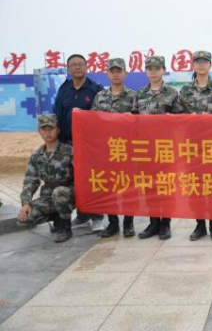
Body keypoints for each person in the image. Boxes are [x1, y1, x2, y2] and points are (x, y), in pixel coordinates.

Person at [179, 50, 212, 241]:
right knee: (196, 186)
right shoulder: (185, 90)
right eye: (198, 61)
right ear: (193, 65)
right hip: (192, 146)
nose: (201, 64)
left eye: (205, 61)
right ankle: (200, 225)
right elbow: (177, 117)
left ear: (210, 65)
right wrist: (190, 118)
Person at [133, 56, 184, 240]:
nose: (153, 72)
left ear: (163, 70)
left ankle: (165, 224)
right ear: (146, 71)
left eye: (157, 68)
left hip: (166, 147)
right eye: (150, 68)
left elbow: (182, 118)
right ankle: (153, 222)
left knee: (166, 186)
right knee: (149, 187)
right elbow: (132, 120)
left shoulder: (172, 93)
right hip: (145, 148)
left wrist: (171, 120)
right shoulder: (139, 94)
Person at [53, 53, 104, 231]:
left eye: (80, 64)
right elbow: (57, 113)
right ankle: (82, 215)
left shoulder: (95, 89)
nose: (77, 67)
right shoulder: (64, 89)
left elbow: (101, 117)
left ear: (86, 67)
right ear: (68, 69)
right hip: (67, 143)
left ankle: (97, 216)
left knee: (92, 179)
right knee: (73, 179)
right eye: (73, 65)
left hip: (89, 145)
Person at [91, 58, 137, 238]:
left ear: (126, 73)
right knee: (109, 186)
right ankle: (113, 223)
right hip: (106, 149)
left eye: (119, 71)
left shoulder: (133, 96)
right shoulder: (100, 96)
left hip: (126, 149)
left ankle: (128, 223)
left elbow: (141, 122)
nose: (116, 74)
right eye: (112, 71)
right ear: (107, 74)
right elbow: (92, 121)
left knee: (128, 186)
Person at [17, 114, 75, 243]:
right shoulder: (37, 156)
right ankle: (56, 216)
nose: (48, 132)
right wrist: (26, 203)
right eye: (44, 129)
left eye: (51, 128)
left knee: (59, 192)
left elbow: (82, 175)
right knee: (24, 220)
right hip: (48, 196)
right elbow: (30, 180)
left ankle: (65, 227)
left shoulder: (70, 151)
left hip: (69, 193)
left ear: (58, 130)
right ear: (39, 131)